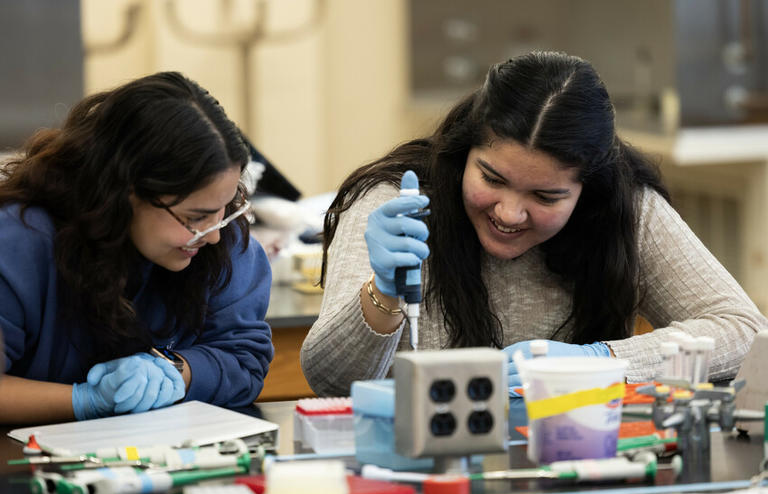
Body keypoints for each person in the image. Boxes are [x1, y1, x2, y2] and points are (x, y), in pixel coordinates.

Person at [301, 51, 768, 398]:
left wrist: (599, 362)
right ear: (465, 150)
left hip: (578, 463)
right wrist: (381, 296)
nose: (508, 213)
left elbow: (743, 330)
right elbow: (331, 383)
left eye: (545, 196)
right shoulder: (395, 204)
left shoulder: (624, 209)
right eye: (491, 178)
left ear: (588, 189)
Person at [0, 72, 273, 424]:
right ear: (124, 192)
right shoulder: (21, 242)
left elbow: (242, 360)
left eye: (225, 207)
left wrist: (174, 371)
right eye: (195, 216)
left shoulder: (222, 236)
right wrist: (86, 401)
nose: (213, 235)